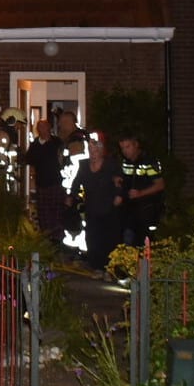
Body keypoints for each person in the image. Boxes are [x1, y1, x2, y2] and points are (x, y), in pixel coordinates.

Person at [66, 130, 124, 274]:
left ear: (101, 149)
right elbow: (76, 182)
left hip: (109, 209)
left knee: (109, 239)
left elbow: (119, 181)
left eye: (95, 148)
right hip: (92, 208)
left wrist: (118, 195)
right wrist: (71, 196)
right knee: (93, 238)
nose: (93, 152)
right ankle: (96, 267)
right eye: (90, 149)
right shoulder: (84, 165)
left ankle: (109, 269)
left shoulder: (111, 165)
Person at [118, 132, 166, 247]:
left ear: (136, 145)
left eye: (127, 147)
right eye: (122, 148)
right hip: (130, 210)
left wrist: (141, 193)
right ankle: (130, 264)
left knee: (145, 244)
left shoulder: (149, 161)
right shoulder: (126, 162)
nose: (125, 151)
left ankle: (144, 265)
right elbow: (126, 180)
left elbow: (160, 185)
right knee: (128, 241)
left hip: (147, 210)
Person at [24, 116, 66, 244]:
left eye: (44, 127)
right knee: (43, 212)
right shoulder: (35, 145)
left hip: (56, 182)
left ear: (49, 128)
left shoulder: (57, 143)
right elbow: (28, 160)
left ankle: (58, 238)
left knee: (57, 211)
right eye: (40, 128)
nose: (42, 130)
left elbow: (64, 160)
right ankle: (46, 237)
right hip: (41, 183)